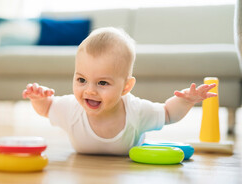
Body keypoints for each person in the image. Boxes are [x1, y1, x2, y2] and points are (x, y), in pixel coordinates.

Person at [22, 27, 217, 155]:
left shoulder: (135, 111)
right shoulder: (71, 108)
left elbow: (167, 113)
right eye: (81, 79)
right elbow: (47, 109)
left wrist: (187, 100)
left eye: (103, 83)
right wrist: (38, 98)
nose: (90, 90)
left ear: (126, 87)